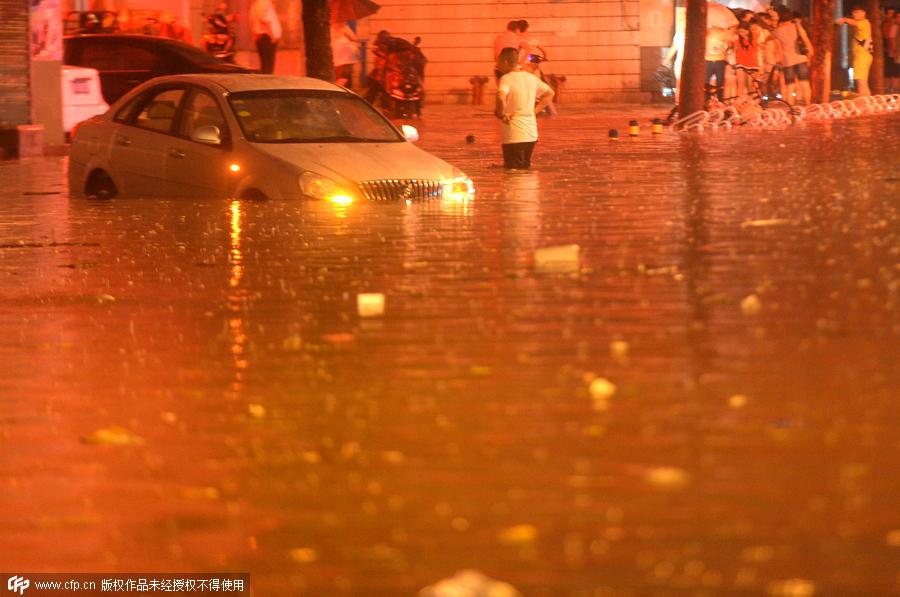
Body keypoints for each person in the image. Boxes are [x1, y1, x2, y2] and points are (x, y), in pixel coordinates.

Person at [494, 47, 554, 171]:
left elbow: (500, 96)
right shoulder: (531, 78)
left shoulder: (506, 78)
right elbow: (550, 94)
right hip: (531, 135)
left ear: (505, 62)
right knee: (524, 169)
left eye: (498, 62)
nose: (497, 65)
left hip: (514, 134)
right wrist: (534, 112)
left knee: (513, 175)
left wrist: (502, 113)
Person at [771, 5, 813, 105]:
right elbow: (806, 39)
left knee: (790, 87)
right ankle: (809, 105)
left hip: (787, 61)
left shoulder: (776, 32)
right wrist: (810, 53)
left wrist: (779, 64)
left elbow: (778, 50)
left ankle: (791, 109)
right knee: (805, 84)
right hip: (801, 58)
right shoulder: (796, 26)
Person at [837, 7, 873, 96]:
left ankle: (864, 103)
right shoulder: (863, 25)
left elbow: (854, 23)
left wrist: (844, 19)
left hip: (862, 57)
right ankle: (867, 103)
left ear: (864, 13)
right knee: (863, 83)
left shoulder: (864, 23)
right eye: (853, 12)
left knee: (861, 83)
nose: (854, 14)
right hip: (862, 56)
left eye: (857, 12)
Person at [249, 0, 282, 74]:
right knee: (268, 65)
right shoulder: (265, 2)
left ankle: (264, 83)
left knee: (264, 65)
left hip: (260, 37)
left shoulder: (254, 5)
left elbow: (251, 22)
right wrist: (272, 36)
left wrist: (254, 35)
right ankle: (268, 84)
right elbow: (265, 20)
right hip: (267, 38)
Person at [331, 21, 360, 87]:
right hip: (345, 60)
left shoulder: (330, 28)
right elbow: (354, 39)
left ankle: (336, 89)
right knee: (344, 77)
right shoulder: (344, 27)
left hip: (335, 60)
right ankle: (337, 90)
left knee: (338, 77)